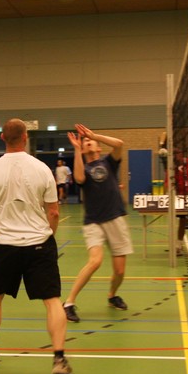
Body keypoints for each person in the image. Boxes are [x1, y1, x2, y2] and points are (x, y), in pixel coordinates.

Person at [0, 118, 70, 374]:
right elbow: (54, 212)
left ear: (3, 138)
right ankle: (59, 358)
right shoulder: (42, 169)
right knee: (52, 300)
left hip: (5, 245)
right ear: (26, 137)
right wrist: (47, 238)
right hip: (40, 244)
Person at [62, 123, 132, 323]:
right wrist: (77, 150)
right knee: (95, 261)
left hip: (115, 218)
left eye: (89, 141)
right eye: (85, 142)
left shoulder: (109, 162)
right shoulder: (84, 168)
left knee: (120, 271)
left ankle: (112, 295)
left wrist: (95, 135)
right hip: (94, 222)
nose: (88, 142)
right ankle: (68, 303)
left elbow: (119, 144)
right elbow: (78, 178)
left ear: (98, 147)